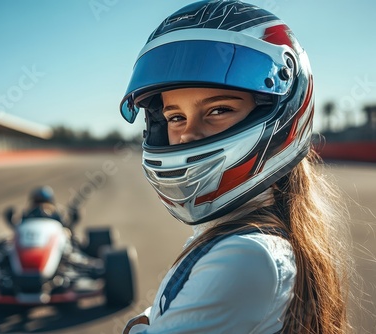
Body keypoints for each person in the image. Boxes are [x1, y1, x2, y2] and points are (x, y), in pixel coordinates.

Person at [119, 1, 353, 333]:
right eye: (174, 117)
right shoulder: (244, 237)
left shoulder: (244, 256)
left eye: (218, 110)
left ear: (276, 112)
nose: (187, 135)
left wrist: (139, 324)